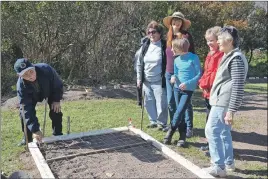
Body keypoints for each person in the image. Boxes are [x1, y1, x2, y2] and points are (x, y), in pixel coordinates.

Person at [202, 26, 248, 177]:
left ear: (230, 40)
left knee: (211, 130)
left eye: (220, 39)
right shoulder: (228, 55)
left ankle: (218, 166)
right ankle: (228, 163)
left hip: (223, 102)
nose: (218, 42)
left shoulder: (235, 58)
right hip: (221, 100)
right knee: (222, 132)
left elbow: (238, 86)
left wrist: (231, 111)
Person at [14, 58, 64, 145]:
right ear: (20, 76)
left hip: (50, 91)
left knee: (55, 109)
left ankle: (58, 134)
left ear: (33, 67)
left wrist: (56, 100)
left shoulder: (46, 69)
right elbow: (26, 109)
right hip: (31, 96)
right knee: (23, 114)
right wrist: (35, 130)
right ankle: (27, 138)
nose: (30, 76)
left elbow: (57, 84)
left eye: (31, 71)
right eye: (25, 74)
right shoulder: (21, 87)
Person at [163, 38, 201, 147]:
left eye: (174, 49)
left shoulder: (194, 58)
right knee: (180, 113)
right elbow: (175, 73)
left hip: (187, 90)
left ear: (180, 49)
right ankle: (182, 137)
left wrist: (187, 83)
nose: (172, 51)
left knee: (179, 112)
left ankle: (170, 132)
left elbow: (198, 74)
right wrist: (174, 78)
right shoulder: (176, 60)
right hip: (176, 88)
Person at [163, 11, 195, 137]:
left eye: (179, 20)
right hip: (169, 73)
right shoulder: (169, 36)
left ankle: (188, 127)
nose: (176, 22)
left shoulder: (186, 36)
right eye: (174, 20)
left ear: (182, 23)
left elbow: (192, 55)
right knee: (171, 102)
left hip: (182, 74)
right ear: (171, 22)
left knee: (185, 102)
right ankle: (174, 125)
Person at [136, 21, 168, 130]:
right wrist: (139, 78)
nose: (151, 34)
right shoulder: (145, 46)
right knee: (148, 102)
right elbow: (139, 63)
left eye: (153, 32)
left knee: (161, 103)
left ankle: (162, 123)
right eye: (149, 32)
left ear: (159, 33)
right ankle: (153, 121)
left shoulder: (164, 46)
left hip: (159, 80)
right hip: (146, 80)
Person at [198, 26, 224, 154]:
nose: (209, 43)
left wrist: (204, 83)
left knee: (215, 122)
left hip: (215, 92)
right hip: (207, 92)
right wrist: (201, 82)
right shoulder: (209, 54)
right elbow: (206, 71)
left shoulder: (220, 55)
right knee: (208, 119)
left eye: (212, 40)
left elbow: (215, 74)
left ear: (218, 40)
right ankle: (210, 144)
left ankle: (215, 147)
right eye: (207, 41)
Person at [134, 37, 148, 106]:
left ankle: (139, 101)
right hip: (141, 70)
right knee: (141, 86)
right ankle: (142, 101)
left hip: (137, 70)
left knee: (138, 86)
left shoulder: (137, 51)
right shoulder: (142, 51)